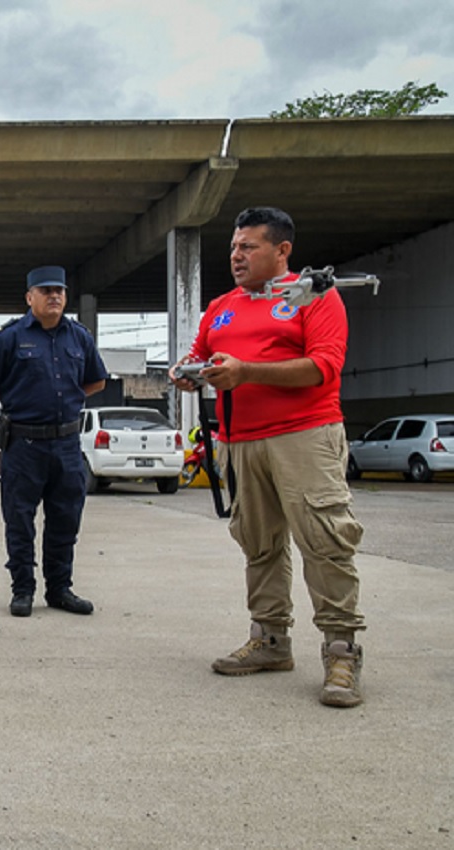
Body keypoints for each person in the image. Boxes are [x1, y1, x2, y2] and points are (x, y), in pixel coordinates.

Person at [171, 206, 366, 708]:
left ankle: (341, 652)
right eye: (233, 247)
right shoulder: (222, 306)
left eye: (248, 247)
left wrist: (247, 372)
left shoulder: (315, 296)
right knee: (258, 543)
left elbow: (323, 366)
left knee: (325, 540)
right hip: (240, 440)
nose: (236, 256)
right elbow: (201, 353)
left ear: (282, 251)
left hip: (304, 437)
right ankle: (270, 638)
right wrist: (187, 371)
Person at [0, 265, 107, 618]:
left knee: (65, 519)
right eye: (46, 291)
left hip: (67, 444)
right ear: (29, 297)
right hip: (24, 445)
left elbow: (96, 380)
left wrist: (67, 399)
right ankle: (23, 590)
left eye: (59, 291)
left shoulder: (79, 337)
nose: (54, 296)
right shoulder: (10, 337)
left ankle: (59, 589)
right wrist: (17, 399)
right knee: (19, 520)